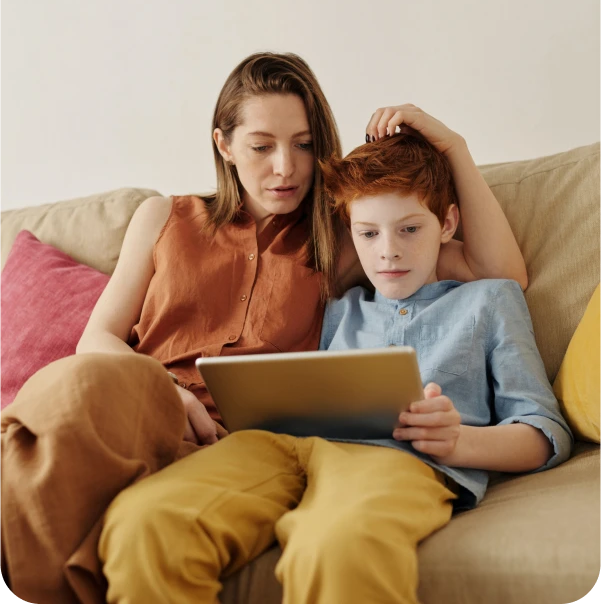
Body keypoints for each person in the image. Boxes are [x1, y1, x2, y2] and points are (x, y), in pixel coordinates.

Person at [0, 52, 527, 604]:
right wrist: (171, 393)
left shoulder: (347, 237)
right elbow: (97, 339)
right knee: (77, 384)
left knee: (116, 489)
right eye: (261, 146)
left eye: (304, 145)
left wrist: (453, 148)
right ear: (224, 146)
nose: (286, 167)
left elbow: (499, 274)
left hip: (236, 445)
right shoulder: (162, 217)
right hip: (140, 403)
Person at [98, 131, 573, 604]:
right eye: (369, 234)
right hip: (283, 447)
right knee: (145, 520)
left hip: (398, 460)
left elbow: (543, 429)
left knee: (335, 544)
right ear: (351, 234)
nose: (388, 251)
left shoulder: (489, 299)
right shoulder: (341, 306)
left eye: (409, 229)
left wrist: (461, 441)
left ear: (447, 224)